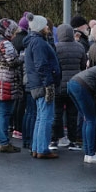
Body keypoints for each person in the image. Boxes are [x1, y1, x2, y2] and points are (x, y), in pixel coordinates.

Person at [24, 14, 61, 159]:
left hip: (35, 84)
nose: (48, 27)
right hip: (42, 84)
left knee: (40, 117)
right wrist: (49, 83)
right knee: (46, 118)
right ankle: (42, 149)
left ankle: (37, 147)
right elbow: (42, 65)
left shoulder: (32, 42)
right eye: (46, 25)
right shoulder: (39, 43)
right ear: (40, 27)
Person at [53, 24, 87, 151]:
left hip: (59, 85)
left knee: (57, 113)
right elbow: (83, 65)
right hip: (74, 85)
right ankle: (73, 140)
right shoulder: (79, 47)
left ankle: (57, 138)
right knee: (73, 114)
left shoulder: (56, 48)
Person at [68, 64, 96, 164]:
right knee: (91, 120)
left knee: (86, 119)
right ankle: (91, 154)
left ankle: (87, 153)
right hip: (82, 87)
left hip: (72, 83)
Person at [0, 19, 23, 153]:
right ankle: (4, 141)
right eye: (14, 31)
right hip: (7, 80)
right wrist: (23, 57)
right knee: (5, 112)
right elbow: (13, 61)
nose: (15, 34)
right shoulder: (6, 44)